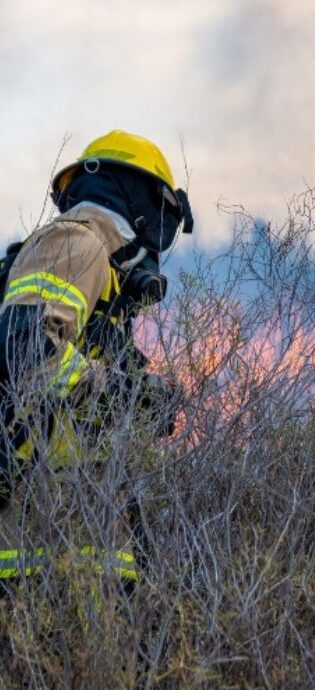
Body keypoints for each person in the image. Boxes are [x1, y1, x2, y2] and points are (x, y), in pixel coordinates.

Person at [0, 129, 193, 586]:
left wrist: (142, 396)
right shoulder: (75, 242)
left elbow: (76, 372)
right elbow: (24, 347)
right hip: (33, 521)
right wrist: (115, 387)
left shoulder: (100, 266)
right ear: (147, 203)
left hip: (72, 512)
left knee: (107, 642)